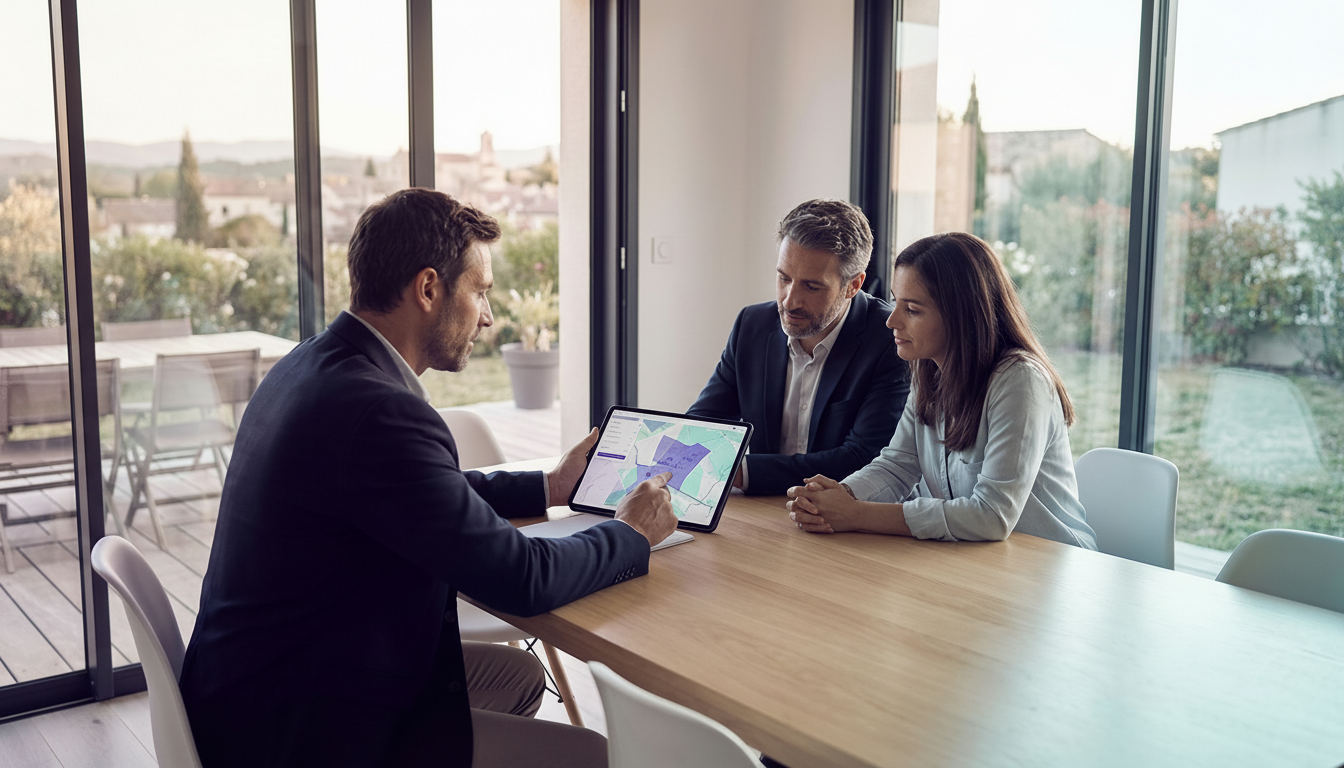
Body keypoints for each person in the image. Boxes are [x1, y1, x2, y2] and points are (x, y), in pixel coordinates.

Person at [179, 188, 678, 768]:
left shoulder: (312, 364)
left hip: (263, 684)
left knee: (517, 676)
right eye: (480, 292)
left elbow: (426, 494)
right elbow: (523, 579)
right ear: (427, 288)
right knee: (590, 756)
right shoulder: (378, 411)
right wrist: (630, 534)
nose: (488, 317)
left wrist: (550, 486)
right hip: (300, 731)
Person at [785, 231, 1096, 549]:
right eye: (896, 302)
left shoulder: (1021, 382)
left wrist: (856, 514)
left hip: (1053, 568)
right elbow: (897, 467)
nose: (892, 321)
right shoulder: (928, 371)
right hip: (976, 560)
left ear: (962, 316)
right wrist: (837, 499)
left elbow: (991, 516)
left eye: (913, 310)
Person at [687, 199, 910, 496]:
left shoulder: (888, 339)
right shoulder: (752, 325)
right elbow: (704, 423)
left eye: (812, 286)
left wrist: (744, 471)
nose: (789, 301)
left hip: (840, 518)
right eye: (784, 278)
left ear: (853, 286)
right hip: (760, 509)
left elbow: (864, 458)